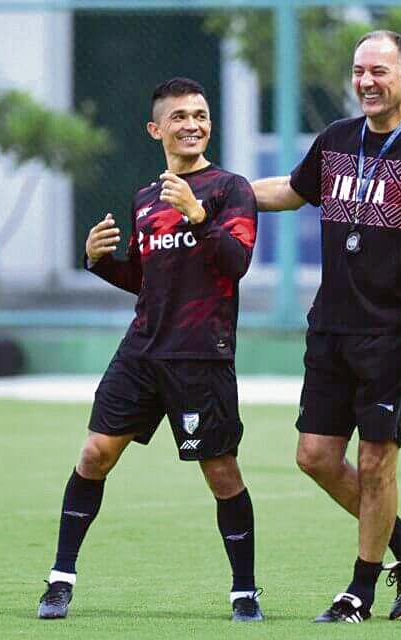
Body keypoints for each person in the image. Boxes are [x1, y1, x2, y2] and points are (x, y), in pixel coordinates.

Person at [252, 31, 401, 623]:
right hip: (332, 324)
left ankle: (359, 591)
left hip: (397, 328)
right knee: (315, 456)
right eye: (359, 71)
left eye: (379, 71)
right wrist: (217, 191)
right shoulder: (335, 141)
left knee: (378, 460)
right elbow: (288, 191)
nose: (366, 82)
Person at [36, 78, 263, 623]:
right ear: (155, 129)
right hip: (141, 352)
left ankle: (244, 592)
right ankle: (59, 581)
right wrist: (100, 262)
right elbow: (147, 279)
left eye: (201, 115)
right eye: (180, 116)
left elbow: (235, 264)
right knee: (94, 455)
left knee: (221, 472)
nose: (193, 125)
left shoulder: (230, 190)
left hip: (200, 354)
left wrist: (198, 216)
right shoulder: (145, 199)